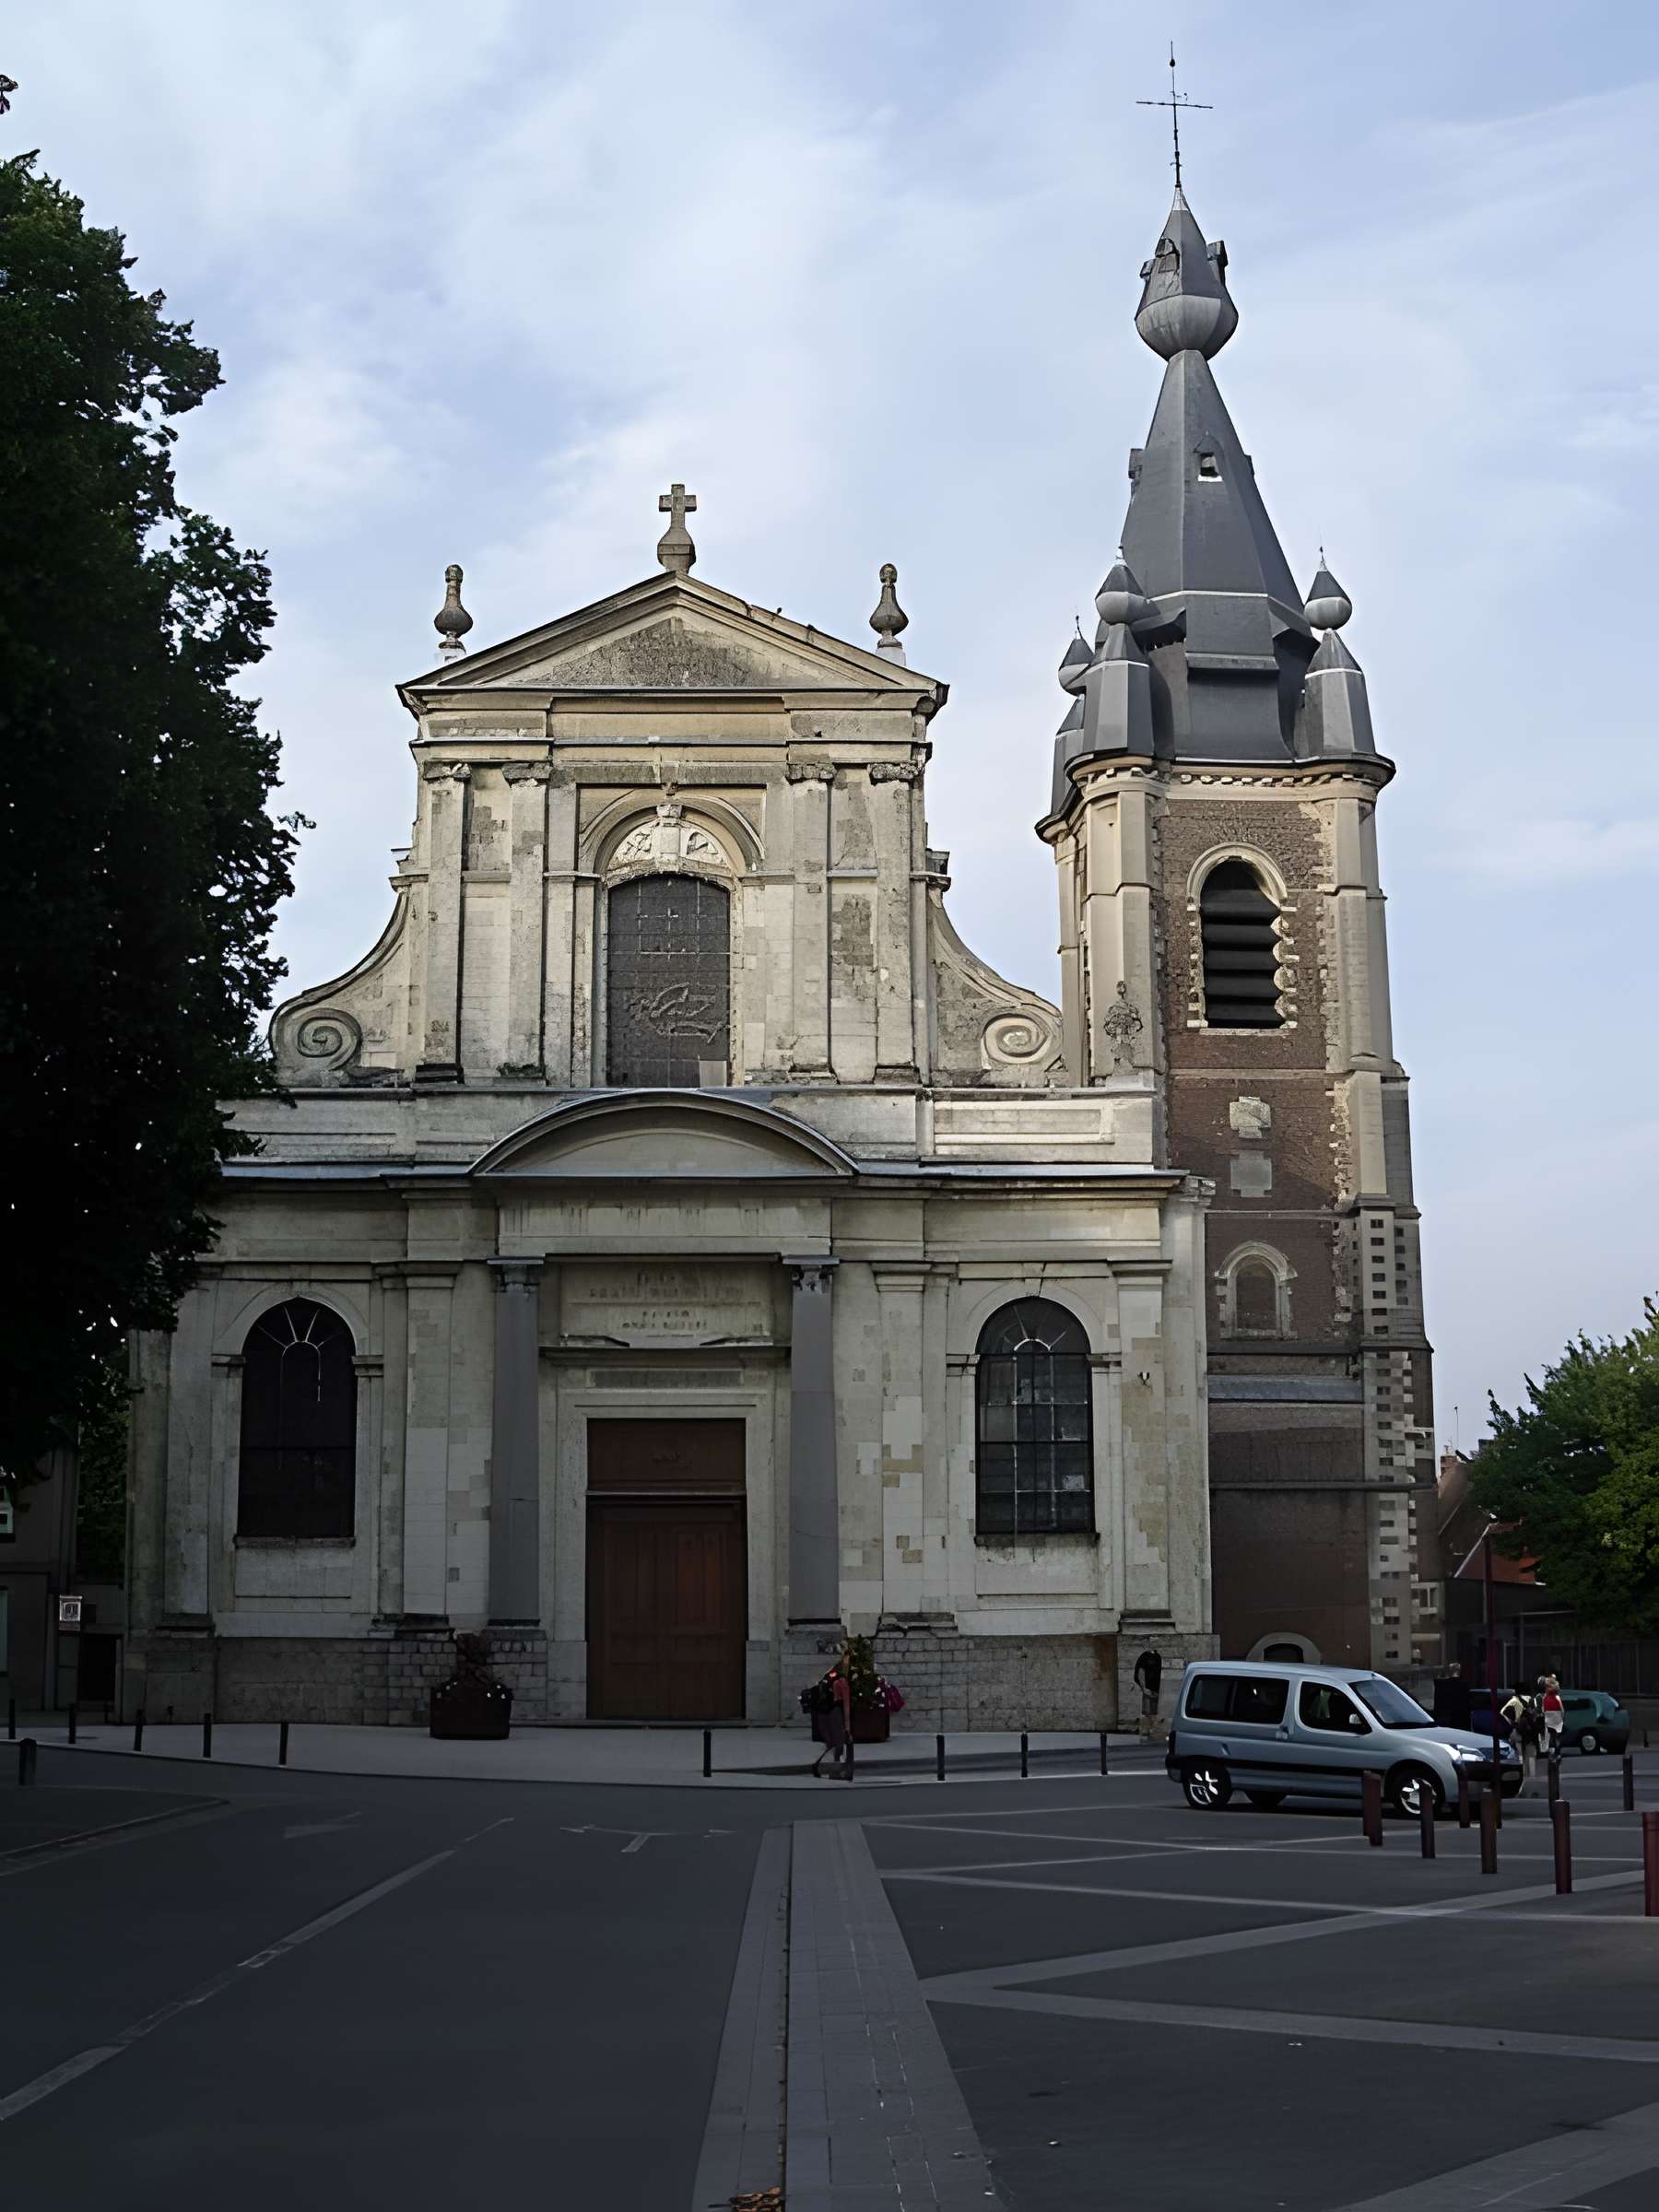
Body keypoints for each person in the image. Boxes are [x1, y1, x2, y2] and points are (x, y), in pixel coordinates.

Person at [1133, 1648, 1163, 1732]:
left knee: (1153, 1710)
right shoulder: (1145, 1656)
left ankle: (1151, 1727)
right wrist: (1144, 1687)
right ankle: (1147, 1728)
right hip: (1148, 1687)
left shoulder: (1157, 1656)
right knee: (1147, 1710)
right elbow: (1140, 1672)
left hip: (1156, 1688)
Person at [1540, 1676, 1565, 1765]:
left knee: (1552, 1737)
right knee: (1555, 1737)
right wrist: (1562, 1716)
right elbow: (1562, 1709)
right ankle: (1556, 1754)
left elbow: (1543, 1709)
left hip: (1551, 1716)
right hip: (1555, 1716)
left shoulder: (1546, 1697)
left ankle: (1554, 1754)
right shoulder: (1554, 1697)